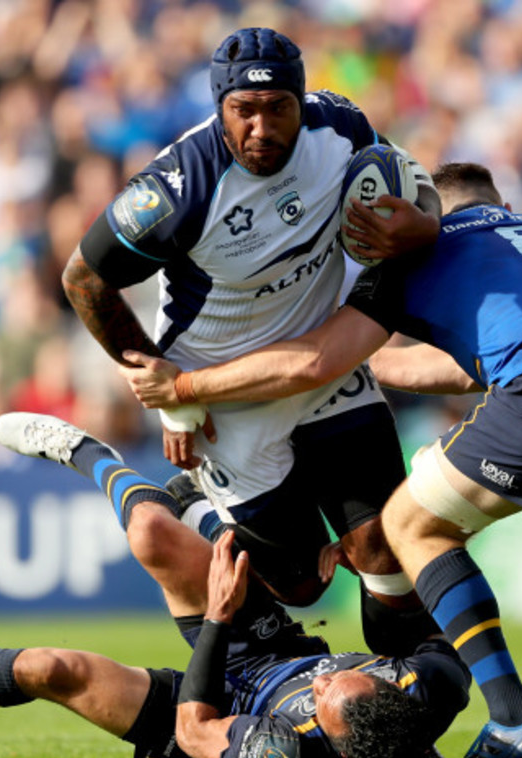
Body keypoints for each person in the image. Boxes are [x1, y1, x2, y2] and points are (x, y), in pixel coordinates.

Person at [119, 161, 522, 758]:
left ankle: (513, 720)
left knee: (414, 526)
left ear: (428, 210)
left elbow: (316, 362)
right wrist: (368, 367)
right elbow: (477, 362)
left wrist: (185, 384)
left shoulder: (420, 247)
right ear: (494, 200)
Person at [60, 25, 443, 650]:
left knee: (382, 546)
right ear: (220, 108)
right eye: (244, 111)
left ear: (302, 101)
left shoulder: (340, 127)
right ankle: (192, 501)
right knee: (299, 587)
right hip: (223, 395)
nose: (261, 128)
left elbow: (407, 179)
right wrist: (174, 397)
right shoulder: (179, 187)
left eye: (278, 108)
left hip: (321, 362)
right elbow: (83, 279)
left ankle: (408, 701)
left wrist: (420, 224)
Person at [0, 411, 471, 758]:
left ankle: (83, 451)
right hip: (273, 648)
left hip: (216, 711)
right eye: (347, 676)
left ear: (341, 749)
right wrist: (368, 568)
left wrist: (219, 616)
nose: (325, 679)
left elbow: (193, 731)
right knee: (155, 532)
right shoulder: (433, 684)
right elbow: (433, 576)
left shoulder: (282, 753)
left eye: (323, 696)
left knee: (49, 670)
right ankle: (193, 503)